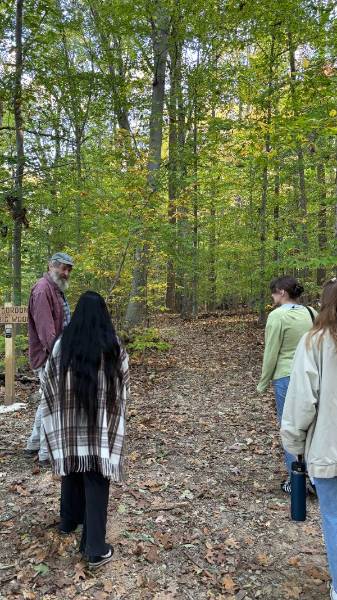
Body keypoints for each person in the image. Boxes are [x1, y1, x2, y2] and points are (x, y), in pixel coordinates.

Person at [40, 291, 130, 569]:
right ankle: (94, 549)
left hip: (69, 426)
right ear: (104, 314)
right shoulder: (113, 346)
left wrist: (59, 414)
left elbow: (48, 381)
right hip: (99, 428)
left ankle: (69, 521)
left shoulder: (61, 345)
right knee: (95, 478)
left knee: (72, 466)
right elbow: (122, 386)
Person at [281, 278, 337, 600]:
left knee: (333, 516)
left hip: (330, 448)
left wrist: (294, 443)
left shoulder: (315, 342)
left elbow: (302, 400)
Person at [257, 275, 316, 493]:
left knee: (290, 427)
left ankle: (296, 480)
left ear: (282, 292)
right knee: (311, 425)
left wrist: (263, 382)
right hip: (311, 375)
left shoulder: (277, 316)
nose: (272, 297)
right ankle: (315, 476)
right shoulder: (311, 313)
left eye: (273, 292)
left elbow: (271, 352)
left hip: (286, 376)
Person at [25, 252, 74, 465]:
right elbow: (47, 332)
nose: (65, 273)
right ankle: (46, 454)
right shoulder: (43, 290)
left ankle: (34, 444)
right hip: (49, 357)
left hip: (55, 355)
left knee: (47, 400)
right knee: (53, 404)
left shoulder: (56, 290)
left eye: (68, 269)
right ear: (51, 266)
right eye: (62, 268)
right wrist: (58, 359)